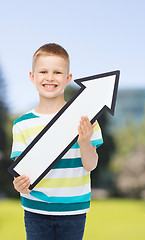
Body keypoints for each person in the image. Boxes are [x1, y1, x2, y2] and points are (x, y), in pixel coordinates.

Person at [10, 43, 103, 240]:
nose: (50, 77)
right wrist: (19, 185)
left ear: (68, 79)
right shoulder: (21, 125)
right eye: (43, 71)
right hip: (35, 209)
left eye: (58, 72)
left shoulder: (86, 118)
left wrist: (85, 141)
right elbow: (21, 173)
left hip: (73, 210)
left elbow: (91, 165)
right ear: (32, 77)